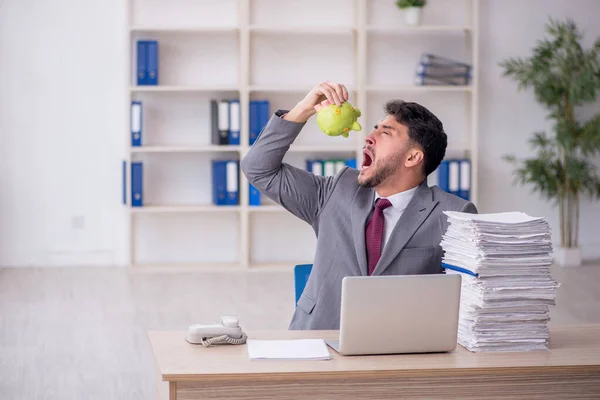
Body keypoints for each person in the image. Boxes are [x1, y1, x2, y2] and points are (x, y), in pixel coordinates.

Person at [240, 82, 478, 330]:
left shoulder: (454, 215)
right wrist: (303, 109)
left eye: (385, 133)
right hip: (319, 339)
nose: (368, 137)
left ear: (413, 157)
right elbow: (258, 168)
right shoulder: (337, 190)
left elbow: (469, 302)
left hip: (399, 347)